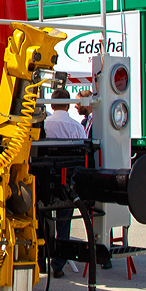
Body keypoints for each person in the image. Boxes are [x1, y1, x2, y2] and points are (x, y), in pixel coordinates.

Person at [44, 88, 87, 277]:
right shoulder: (77, 127)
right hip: (68, 182)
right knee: (64, 222)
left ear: (52, 105)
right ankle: (58, 265)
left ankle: (40, 259)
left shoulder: (45, 125)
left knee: (42, 219)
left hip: (46, 180)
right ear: (68, 105)